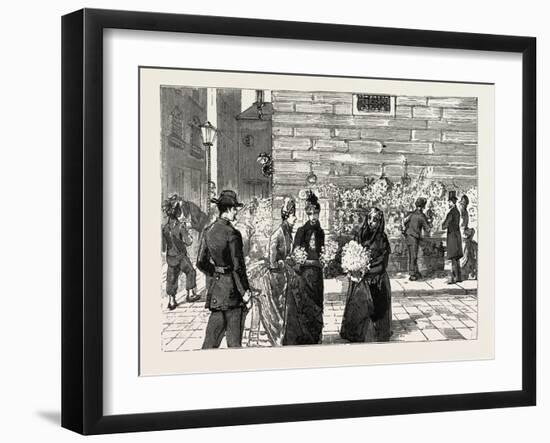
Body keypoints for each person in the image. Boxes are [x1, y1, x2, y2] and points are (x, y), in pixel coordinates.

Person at [196, 190, 252, 348]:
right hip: (233, 294)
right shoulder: (233, 234)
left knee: (210, 342)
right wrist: (245, 293)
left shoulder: (208, 231)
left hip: (217, 291)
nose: (236, 213)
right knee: (234, 343)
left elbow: (200, 262)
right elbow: (237, 268)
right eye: (235, 209)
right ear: (228, 209)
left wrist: (216, 272)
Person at [340, 207, 392, 342]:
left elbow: (383, 261)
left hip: (376, 276)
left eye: (375, 220)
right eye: (370, 218)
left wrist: (367, 269)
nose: (371, 222)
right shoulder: (361, 234)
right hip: (361, 276)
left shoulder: (382, 238)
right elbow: (354, 250)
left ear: (380, 221)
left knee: (376, 308)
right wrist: (354, 266)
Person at [252, 197, 298, 346]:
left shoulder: (288, 233)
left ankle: (286, 335)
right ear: (286, 217)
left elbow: (287, 253)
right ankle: (277, 337)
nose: (295, 218)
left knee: (287, 307)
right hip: (275, 278)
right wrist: (284, 262)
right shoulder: (277, 234)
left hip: (284, 275)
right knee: (277, 309)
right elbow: (272, 262)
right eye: (293, 215)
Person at [283, 191, 325, 345]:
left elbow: (321, 252)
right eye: (310, 214)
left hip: (317, 276)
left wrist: (323, 260)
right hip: (304, 275)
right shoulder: (301, 231)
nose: (313, 217)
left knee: (317, 306)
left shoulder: (320, 232)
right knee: (306, 307)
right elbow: (296, 257)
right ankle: (305, 338)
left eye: (316, 213)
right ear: (307, 214)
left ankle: (315, 337)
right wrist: (311, 263)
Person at [161, 195, 199, 310]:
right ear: (177, 212)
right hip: (181, 256)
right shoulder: (181, 226)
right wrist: (188, 234)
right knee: (191, 271)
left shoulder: (165, 228)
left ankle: (172, 301)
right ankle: (190, 294)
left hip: (171, 257)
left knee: (171, 278)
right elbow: (188, 242)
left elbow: (163, 247)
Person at [402, 197, 432, 280]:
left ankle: (415, 272)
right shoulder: (421, 216)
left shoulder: (411, 214)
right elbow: (428, 229)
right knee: (414, 256)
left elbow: (404, 222)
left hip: (408, 236)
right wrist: (430, 221)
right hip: (414, 237)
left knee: (412, 255)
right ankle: (412, 274)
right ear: (423, 206)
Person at [442, 191, 463, 284]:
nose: (448, 204)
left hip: (452, 236)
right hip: (457, 235)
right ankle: (458, 277)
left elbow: (444, 225)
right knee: (457, 258)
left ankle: (454, 278)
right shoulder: (457, 211)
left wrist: (443, 224)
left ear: (453, 202)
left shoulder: (451, 212)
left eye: (449, 202)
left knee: (454, 258)